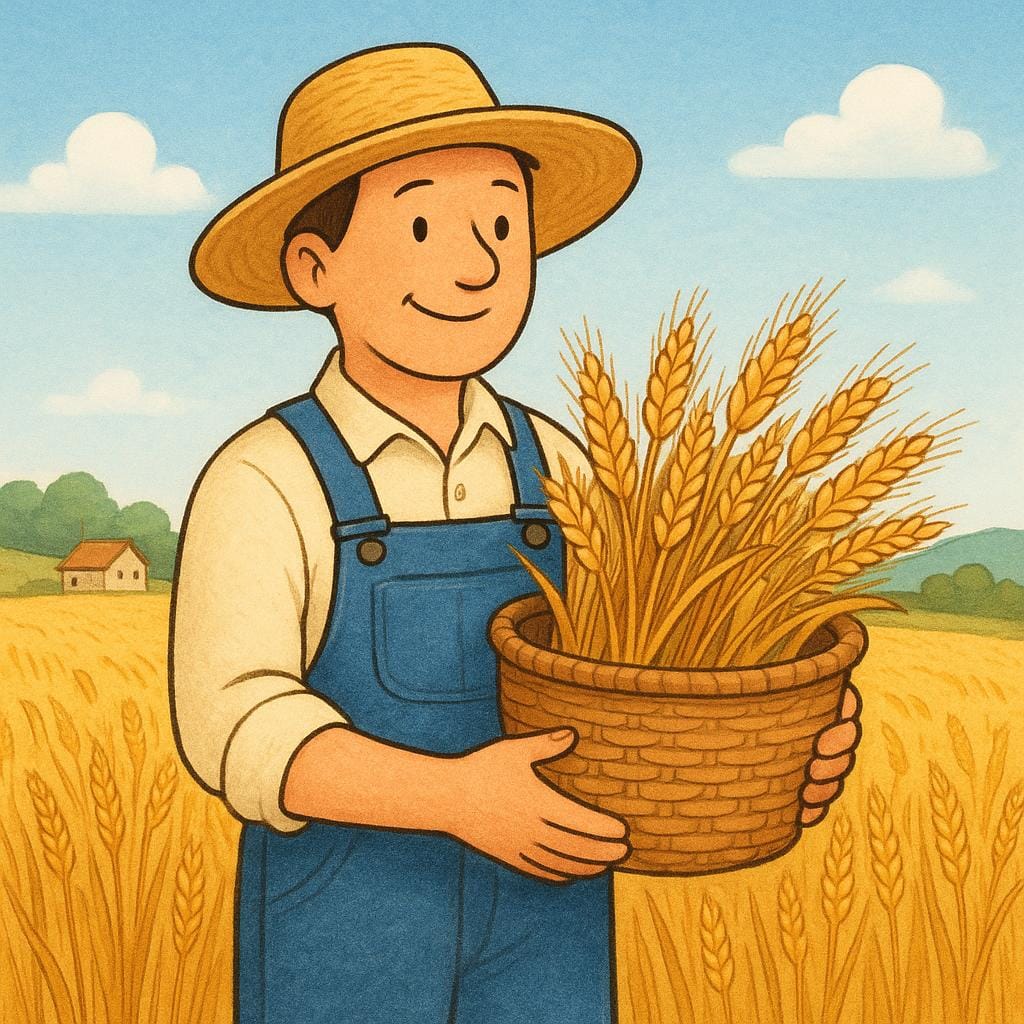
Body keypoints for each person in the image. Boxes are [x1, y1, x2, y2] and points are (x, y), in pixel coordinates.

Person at [169, 43, 861, 1024]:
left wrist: (775, 750)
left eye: (502, 220)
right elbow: (235, 725)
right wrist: (453, 798)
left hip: (550, 909)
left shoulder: (564, 466)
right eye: (420, 223)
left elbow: (652, 666)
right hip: (349, 919)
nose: (479, 262)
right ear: (314, 266)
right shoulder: (265, 478)